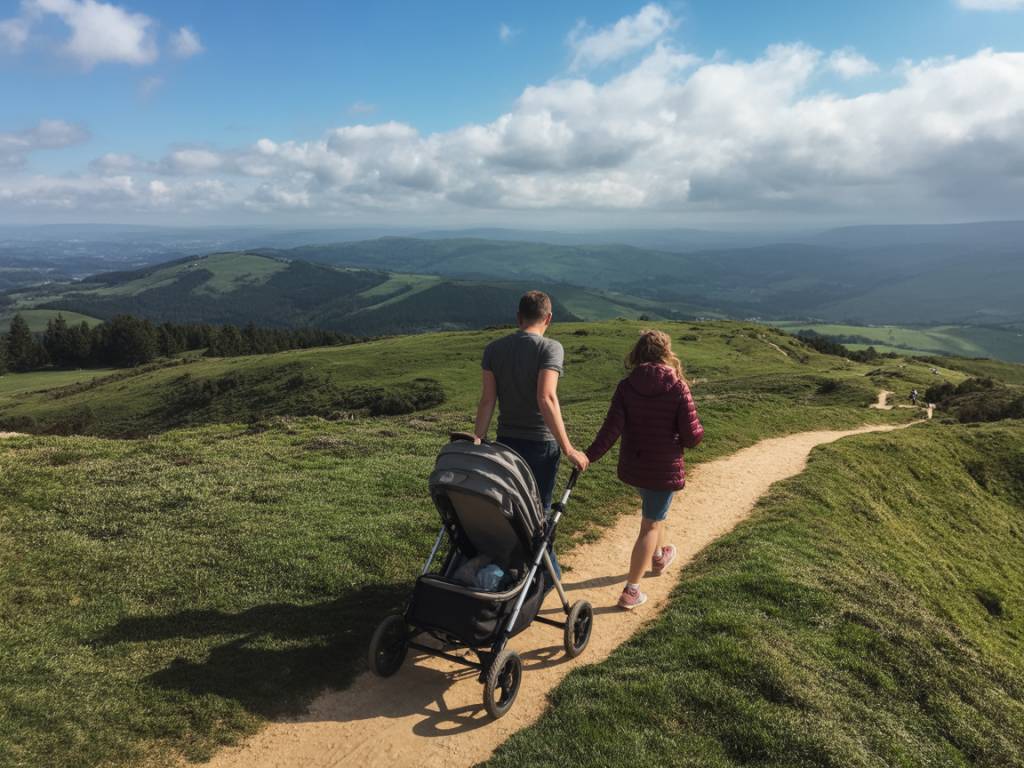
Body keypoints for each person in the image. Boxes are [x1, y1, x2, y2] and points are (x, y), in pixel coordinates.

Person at [473, 291, 590, 575]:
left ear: (518, 317)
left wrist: (477, 439)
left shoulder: (494, 349)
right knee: (538, 515)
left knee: (509, 510)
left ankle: (512, 567)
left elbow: (488, 400)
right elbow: (546, 398)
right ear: (549, 317)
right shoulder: (551, 348)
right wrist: (568, 448)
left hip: (505, 444)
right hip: (540, 445)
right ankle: (546, 577)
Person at [585, 330, 704, 609]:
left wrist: (589, 456)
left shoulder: (627, 386)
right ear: (666, 353)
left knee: (655, 512)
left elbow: (611, 429)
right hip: (662, 467)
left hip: (635, 465)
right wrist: (691, 435)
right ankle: (631, 590)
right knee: (650, 524)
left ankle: (661, 555)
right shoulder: (677, 387)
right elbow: (692, 436)